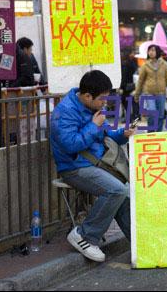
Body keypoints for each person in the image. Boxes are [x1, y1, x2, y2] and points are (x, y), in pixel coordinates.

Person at [50, 70, 135, 262]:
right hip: (74, 168)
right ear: (88, 96)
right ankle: (84, 235)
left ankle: (140, 242)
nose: (105, 103)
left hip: (96, 164)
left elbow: (104, 136)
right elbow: (71, 144)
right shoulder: (65, 112)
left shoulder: (89, 106)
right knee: (116, 190)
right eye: (102, 99)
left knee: (124, 193)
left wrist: (123, 133)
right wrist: (94, 125)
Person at [134, 45, 167, 132]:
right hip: (148, 93)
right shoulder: (145, 65)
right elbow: (140, 80)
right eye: (150, 50)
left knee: (160, 115)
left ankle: (158, 133)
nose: (151, 52)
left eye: (153, 50)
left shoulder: (164, 64)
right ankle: (151, 131)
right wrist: (137, 94)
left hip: (161, 93)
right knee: (152, 112)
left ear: (158, 52)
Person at [120, 47, 139, 121]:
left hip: (128, 85)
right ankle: (134, 116)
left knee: (127, 101)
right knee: (131, 101)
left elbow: (124, 75)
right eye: (132, 53)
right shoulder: (131, 62)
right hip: (129, 84)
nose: (133, 54)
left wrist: (121, 86)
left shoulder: (128, 63)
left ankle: (132, 117)